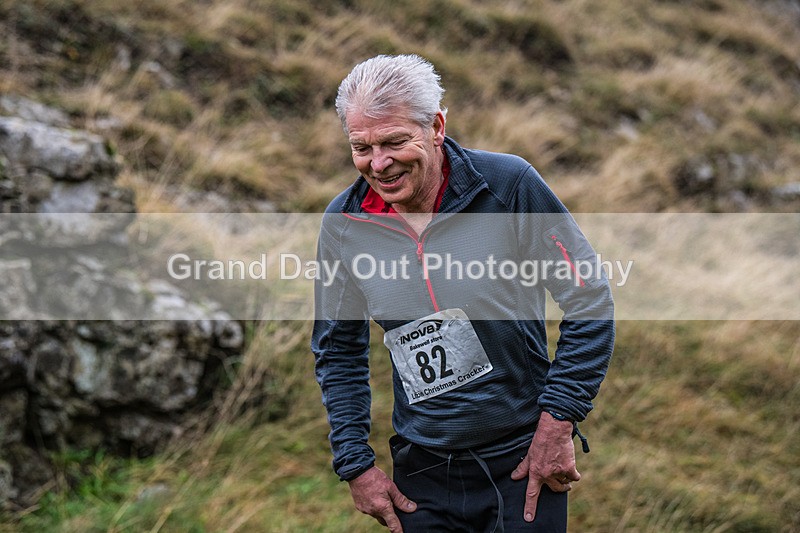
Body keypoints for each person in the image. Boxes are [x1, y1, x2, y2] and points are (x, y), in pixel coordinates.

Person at [312, 54, 614, 532]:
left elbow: (589, 297)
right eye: (361, 147)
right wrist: (355, 463)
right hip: (422, 473)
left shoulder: (509, 186)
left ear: (436, 125)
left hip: (522, 460)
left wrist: (559, 421)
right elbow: (338, 351)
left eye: (394, 142)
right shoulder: (343, 224)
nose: (379, 163)